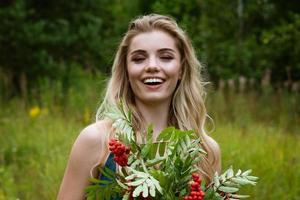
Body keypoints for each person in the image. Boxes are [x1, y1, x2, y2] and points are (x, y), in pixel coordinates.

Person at [57, 14, 221, 199]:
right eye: (139, 59)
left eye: (165, 57)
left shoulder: (205, 150)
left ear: (181, 69)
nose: (152, 66)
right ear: (126, 70)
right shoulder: (97, 140)